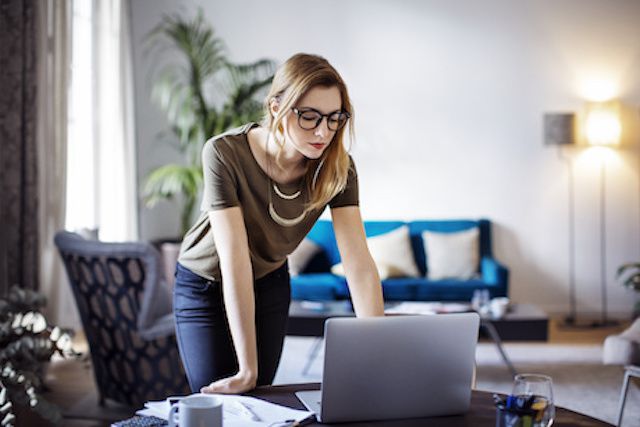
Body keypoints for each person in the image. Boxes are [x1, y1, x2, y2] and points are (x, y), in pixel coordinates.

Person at [174, 53, 385, 395]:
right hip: (205, 284)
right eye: (310, 117)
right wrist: (247, 368)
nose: (323, 131)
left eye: (334, 119)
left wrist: (379, 350)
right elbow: (234, 260)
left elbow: (358, 263)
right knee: (219, 399)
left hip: (270, 280)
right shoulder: (224, 154)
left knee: (259, 397)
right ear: (276, 108)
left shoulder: (338, 170)